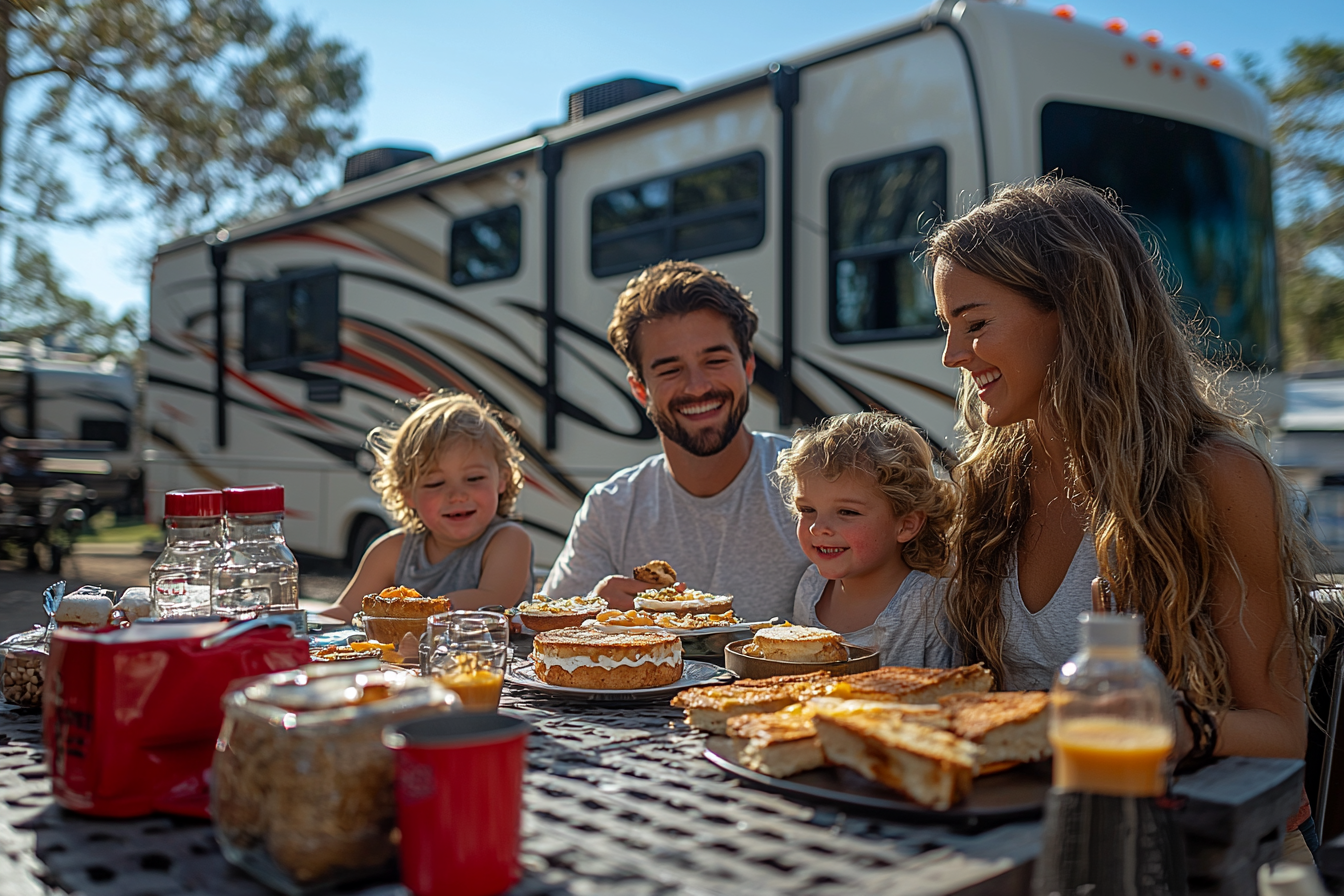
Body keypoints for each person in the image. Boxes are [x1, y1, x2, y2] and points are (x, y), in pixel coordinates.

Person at [929, 177, 1338, 858]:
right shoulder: (990, 484)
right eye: (948, 328)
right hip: (1031, 842)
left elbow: (1279, 731)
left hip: (1200, 849)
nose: (951, 356)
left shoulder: (1213, 476)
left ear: (1072, 310)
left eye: (974, 325)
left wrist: (1170, 723)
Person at [542, 260, 809, 621]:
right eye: (670, 370)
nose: (697, 386)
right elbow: (541, 637)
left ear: (747, 367)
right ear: (640, 389)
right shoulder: (610, 510)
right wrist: (591, 613)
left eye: (715, 360)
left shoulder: (811, 481)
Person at [328, 390, 533, 622]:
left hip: (489, 657)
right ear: (408, 494)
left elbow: (492, 599)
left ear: (502, 479)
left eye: (474, 479)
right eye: (435, 483)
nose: (457, 495)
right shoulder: (391, 550)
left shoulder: (508, 539)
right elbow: (347, 611)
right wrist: (296, 625)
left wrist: (412, 610)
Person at [777, 412, 957, 666]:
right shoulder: (811, 587)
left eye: (847, 512)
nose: (818, 528)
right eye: (807, 510)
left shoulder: (928, 604)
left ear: (906, 525)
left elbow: (952, 692)